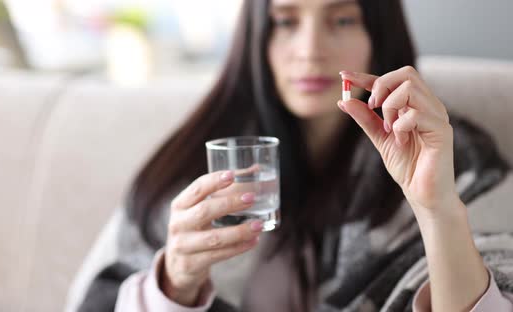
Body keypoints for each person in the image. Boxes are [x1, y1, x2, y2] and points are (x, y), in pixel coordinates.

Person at [69, 0, 513, 311]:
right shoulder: (187, 163)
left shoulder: (458, 158)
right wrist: (172, 286)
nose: (310, 50)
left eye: (341, 20)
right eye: (285, 21)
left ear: (379, 32)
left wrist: (437, 211)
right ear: (256, 35)